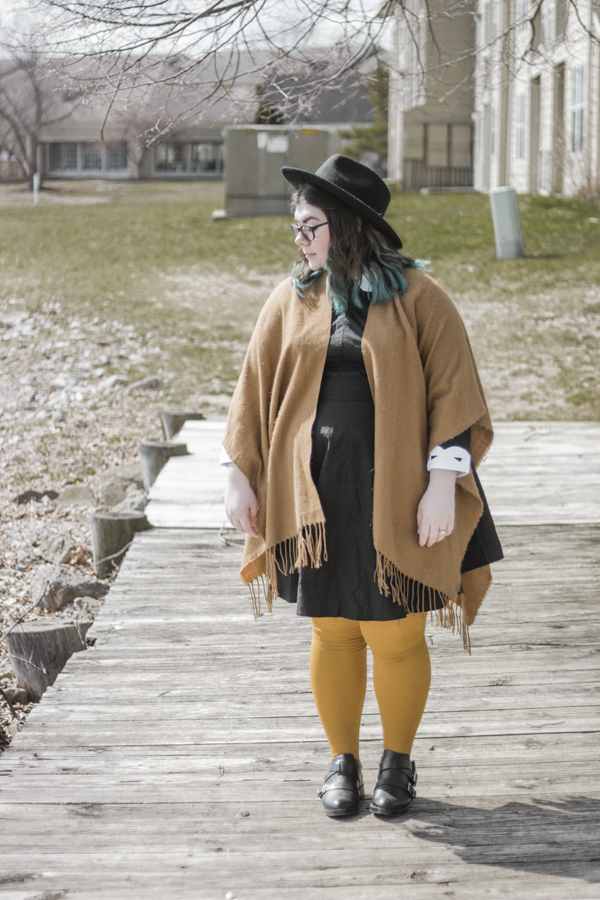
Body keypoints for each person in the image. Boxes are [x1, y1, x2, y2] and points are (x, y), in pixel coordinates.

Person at [222, 154, 503, 819]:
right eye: (295, 227)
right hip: (314, 495)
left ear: (347, 225)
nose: (299, 238)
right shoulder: (292, 298)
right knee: (333, 631)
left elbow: (455, 395)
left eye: (310, 226)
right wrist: (238, 474)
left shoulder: (421, 298)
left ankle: (397, 763)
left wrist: (442, 485)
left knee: (396, 635)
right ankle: (341, 761)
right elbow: (252, 392)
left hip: (400, 493)